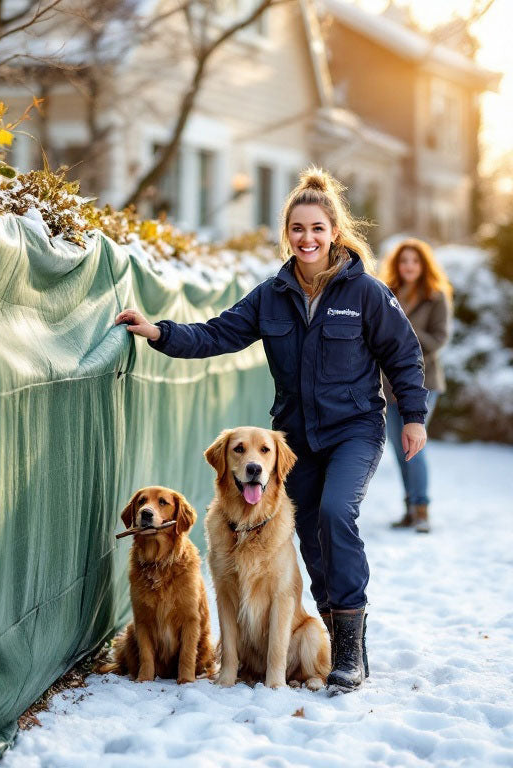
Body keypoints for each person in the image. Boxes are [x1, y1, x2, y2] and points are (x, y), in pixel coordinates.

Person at [114, 168, 428, 692]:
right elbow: (218, 333)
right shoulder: (271, 296)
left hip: (354, 429)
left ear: (334, 232)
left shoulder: (366, 292)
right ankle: (332, 634)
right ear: (288, 234)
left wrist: (413, 416)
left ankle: (349, 649)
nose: (308, 239)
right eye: (297, 229)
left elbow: (404, 354)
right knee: (307, 535)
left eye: (317, 229)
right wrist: (159, 332)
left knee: (334, 514)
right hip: (294, 440)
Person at [378, 238, 452, 533]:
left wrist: (405, 329)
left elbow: (438, 341)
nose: (409, 266)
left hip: (424, 383)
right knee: (398, 448)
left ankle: (422, 509)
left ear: (424, 265)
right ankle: (409, 507)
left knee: (415, 446)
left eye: (414, 261)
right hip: (388, 385)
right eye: (403, 261)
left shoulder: (436, 296)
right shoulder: (385, 294)